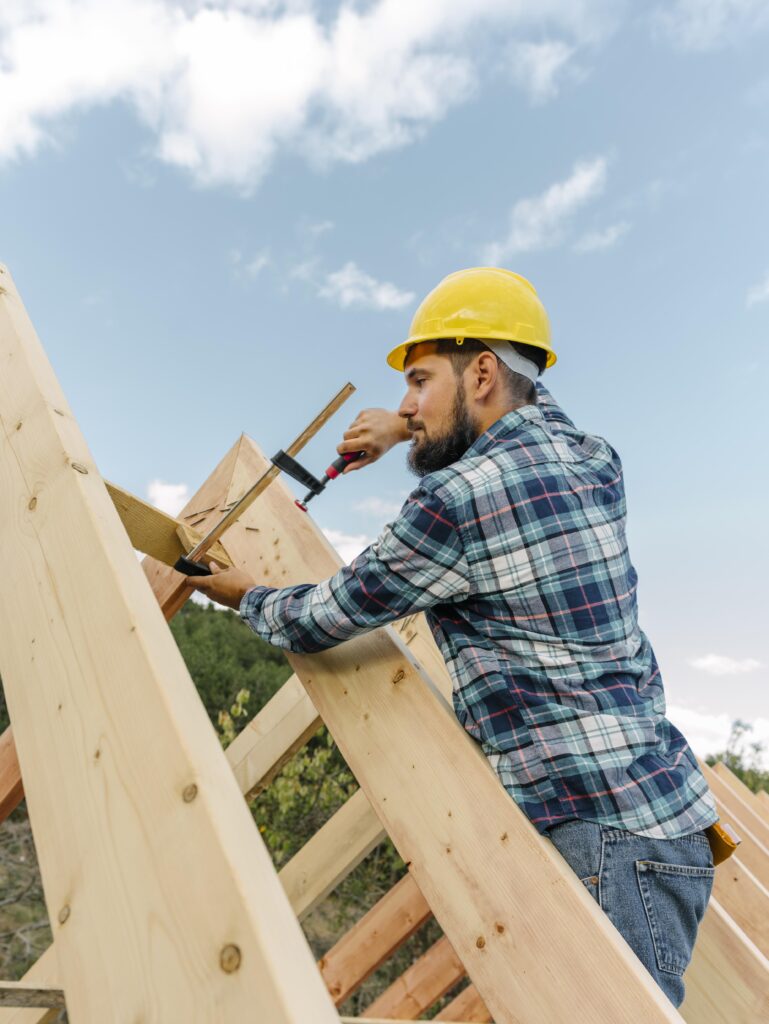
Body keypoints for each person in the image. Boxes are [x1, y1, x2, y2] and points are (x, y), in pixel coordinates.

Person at [185, 267, 718, 1007]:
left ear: (481, 373)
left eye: (418, 382)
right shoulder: (595, 459)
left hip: (599, 840)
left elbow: (323, 616)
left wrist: (247, 594)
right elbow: (528, 413)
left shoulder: (455, 500)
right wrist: (412, 423)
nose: (405, 403)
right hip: (666, 824)